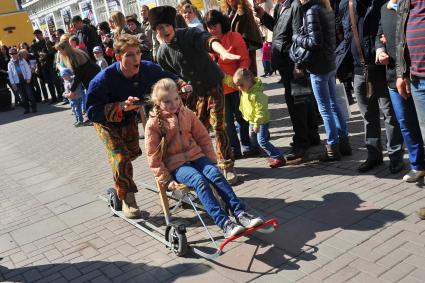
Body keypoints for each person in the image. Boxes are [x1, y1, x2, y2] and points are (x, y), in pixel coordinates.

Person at [145, 78, 264, 238]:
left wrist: (210, 160)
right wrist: (165, 179)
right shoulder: (153, 123)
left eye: (176, 99)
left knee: (215, 174)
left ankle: (240, 213)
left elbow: (203, 137)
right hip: (177, 165)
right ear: (158, 102)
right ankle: (224, 223)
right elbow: (153, 155)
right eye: (167, 101)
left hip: (197, 157)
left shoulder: (187, 113)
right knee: (199, 181)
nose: (173, 104)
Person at [85, 34, 184, 219]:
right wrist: (120, 106)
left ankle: (175, 183)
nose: (136, 58)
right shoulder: (102, 80)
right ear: (118, 57)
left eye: (138, 53)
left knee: (135, 152)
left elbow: (166, 76)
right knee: (121, 158)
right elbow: (91, 112)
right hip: (105, 122)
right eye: (130, 55)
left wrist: (181, 83)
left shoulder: (147, 68)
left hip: (128, 118)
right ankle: (127, 198)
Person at [150, 5, 241, 185]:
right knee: (199, 129)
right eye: (159, 28)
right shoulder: (161, 54)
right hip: (193, 95)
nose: (164, 30)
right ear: (156, 32)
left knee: (219, 125)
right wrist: (179, 87)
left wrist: (222, 52)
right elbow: (170, 78)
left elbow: (207, 40)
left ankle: (227, 165)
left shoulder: (188, 34)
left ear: (172, 26)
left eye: (166, 26)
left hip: (212, 84)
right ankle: (205, 164)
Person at [336, 0, 404, 173]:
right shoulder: (347, 4)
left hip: (384, 68)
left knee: (389, 114)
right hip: (360, 69)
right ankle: (373, 156)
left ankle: (395, 156)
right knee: (368, 115)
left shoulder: (384, 3)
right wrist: (341, 64)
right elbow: (345, 34)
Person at [255, 0, 321, 161]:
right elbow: (279, 30)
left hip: (292, 62)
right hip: (285, 63)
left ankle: (301, 143)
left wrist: (298, 64)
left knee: (297, 103)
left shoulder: (295, 6)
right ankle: (312, 136)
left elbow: (299, 35)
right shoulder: (280, 6)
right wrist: (264, 16)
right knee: (302, 101)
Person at [292, 0, 351, 161]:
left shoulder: (312, 10)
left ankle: (332, 147)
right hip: (329, 63)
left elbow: (315, 42)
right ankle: (343, 141)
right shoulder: (326, 7)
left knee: (325, 108)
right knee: (333, 104)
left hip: (319, 66)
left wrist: (296, 37)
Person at [376, 0, 425, 181]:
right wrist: (380, 49)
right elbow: (386, 36)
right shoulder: (387, 8)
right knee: (406, 123)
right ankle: (418, 165)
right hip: (401, 75)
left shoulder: (406, 7)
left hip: (414, 74)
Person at [204, 10, 256, 159]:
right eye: (209, 26)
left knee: (242, 117)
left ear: (222, 23)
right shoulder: (208, 42)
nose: (212, 29)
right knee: (226, 122)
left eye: (215, 25)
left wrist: (239, 77)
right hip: (219, 88)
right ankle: (234, 148)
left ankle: (247, 144)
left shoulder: (234, 37)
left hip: (237, 85)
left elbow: (245, 59)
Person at [231, 68, 286, 167]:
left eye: (241, 85)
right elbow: (231, 83)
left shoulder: (257, 94)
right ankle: (259, 150)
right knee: (253, 137)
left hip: (261, 121)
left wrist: (256, 124)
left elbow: (260, 111)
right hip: (252, 120)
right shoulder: (246, 88)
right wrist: (222, 76)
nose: (239, 88)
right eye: (237, 85)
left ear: (249, 79)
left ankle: (279, 157)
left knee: (262, 141)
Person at [221, 0, 262, 75]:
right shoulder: (226, 12)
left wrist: (242, 47)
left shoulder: (245, 10)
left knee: (246, 73)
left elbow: (249, 32)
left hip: (244, 47)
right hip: (231, 48)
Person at [31, 29, 62, 103]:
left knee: (56, 81)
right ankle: (54, 97)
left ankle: (60, 96)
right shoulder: (34, 45)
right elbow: (36, 58)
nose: (37, 36)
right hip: (43, 66)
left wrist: (46, 55)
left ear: (41, 34)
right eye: (36, 35)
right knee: (49, 82)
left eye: (38, 34)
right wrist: (37, 67)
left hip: (51, 64)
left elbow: (54, 53)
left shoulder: (48, 42)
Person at [7, 47, 37, 114]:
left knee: (30, 95)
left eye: (15, 53)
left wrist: (29, 78)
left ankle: (34, 107)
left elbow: (27, 70)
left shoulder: (22, 60)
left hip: (26, 80)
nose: (13, 55)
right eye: (11, 54)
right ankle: (27, 109)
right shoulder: (10, 64)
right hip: (18, 82)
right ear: (10, 54)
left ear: (17, 53)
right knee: (23, 97)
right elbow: (10, 75)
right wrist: (13, 84)